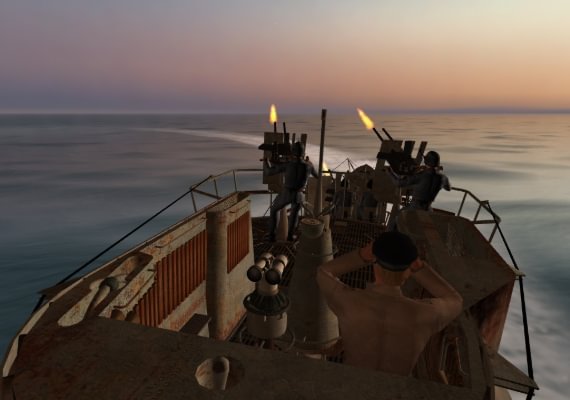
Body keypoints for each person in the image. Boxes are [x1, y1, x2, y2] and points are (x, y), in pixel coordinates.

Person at [316, 231, 463, 376]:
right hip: (395, 388)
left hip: (353, 381)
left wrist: (363, 255)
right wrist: (419, 268)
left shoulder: (348, 300)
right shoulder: (425, 314)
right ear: (408, 272)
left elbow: (323, 272)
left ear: (375, 266)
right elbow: (455, 300)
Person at [264, 141, 318, 242]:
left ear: (293, 152)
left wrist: (265, 161)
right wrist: (309, 163)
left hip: (287, 193)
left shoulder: (288, 165)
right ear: (303, 152)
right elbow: (317, 175)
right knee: (294, 214)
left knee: (274, 210)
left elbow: (268, 172)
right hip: (299, 195)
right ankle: (290, 236)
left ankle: (272, 236)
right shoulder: (309, 166)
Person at [387, 150, 450, 230]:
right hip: (428, 209)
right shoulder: (443, 178)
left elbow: (399, 183)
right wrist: (437, 172)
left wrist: (389, 172)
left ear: (426, 161)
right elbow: (448, 188)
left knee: (395, 220)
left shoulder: (422, 175)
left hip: (414, 208)